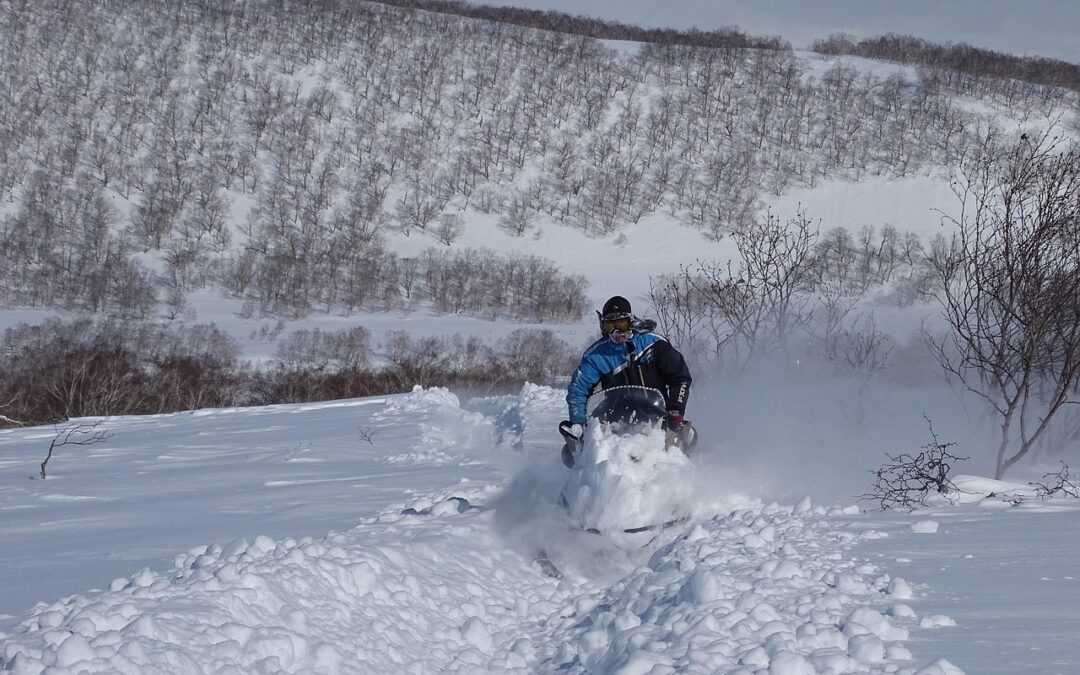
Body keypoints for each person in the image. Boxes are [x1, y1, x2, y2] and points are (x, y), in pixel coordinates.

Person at [560, 296, 692, 466]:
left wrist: (676, 411)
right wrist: (578, 422)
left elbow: (680, 377)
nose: (617, 332)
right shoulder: (596, 355)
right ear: (603, 327)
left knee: (687, 439)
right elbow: (578, 389)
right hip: (614, 419)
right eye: (610, 326)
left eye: (621, 324)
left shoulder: (654, 344)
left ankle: (681, 478)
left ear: (631, 322)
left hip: (658, 416)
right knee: (572, 453)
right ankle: (586, 478)